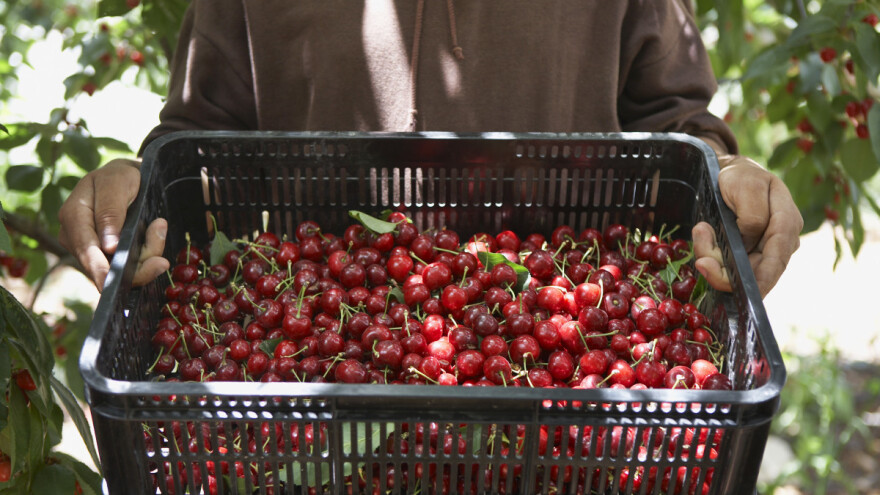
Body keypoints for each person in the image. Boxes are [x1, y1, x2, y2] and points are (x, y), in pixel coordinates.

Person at [58, 0, 803, 298]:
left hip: (562, 388)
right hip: (313, 394)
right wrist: (139, 175)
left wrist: (721, 170)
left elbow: (674, 119)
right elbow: (197, 139)